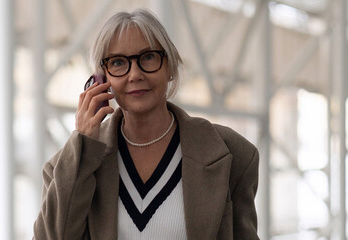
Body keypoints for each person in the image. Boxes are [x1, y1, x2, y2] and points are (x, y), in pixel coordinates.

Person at [33, 8, 259, 240]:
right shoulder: (66, 166)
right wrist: (84, 145)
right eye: (119, 62)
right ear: (103, 80)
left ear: (170, 67)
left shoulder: (233, 153)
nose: (135, 74)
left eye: (148, 57)